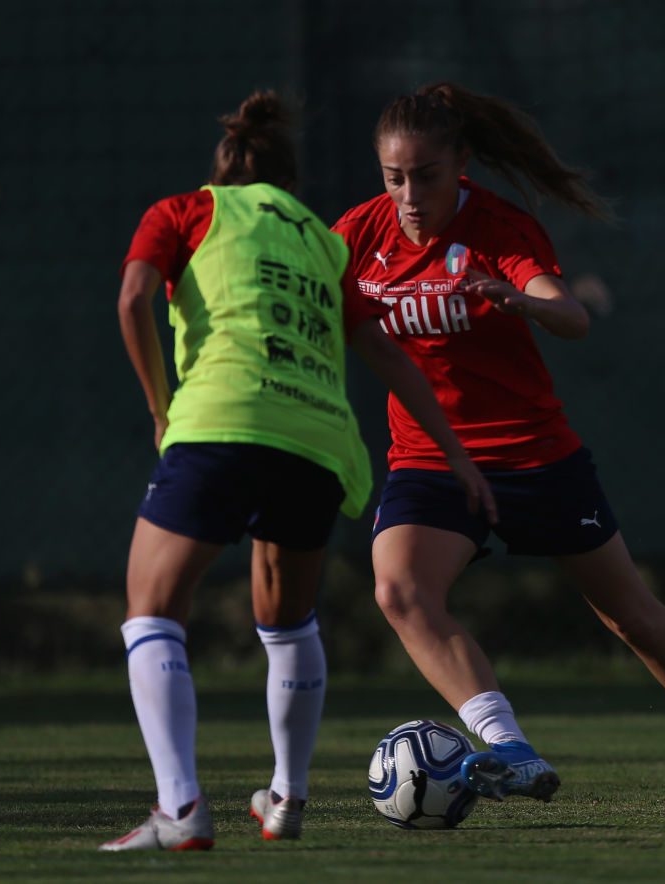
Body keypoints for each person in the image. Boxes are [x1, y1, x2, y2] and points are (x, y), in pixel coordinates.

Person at [332, 82, 665, 816]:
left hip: (533, 456)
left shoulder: (500, 227)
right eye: (393, 177)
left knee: (632, 617)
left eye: (425, 176)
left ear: (461, 164)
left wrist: (523, 301)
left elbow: (571, 315)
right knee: (400, 592)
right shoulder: (358, 233)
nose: (408, 195)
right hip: (432, 460)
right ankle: (510, 748)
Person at [100, 90, 495, 852]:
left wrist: (159, 408)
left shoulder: (188, 210)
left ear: (224, 173)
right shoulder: (321, 240)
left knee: (152, 611)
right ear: (287, 185)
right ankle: (287, 797)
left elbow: (132, 300)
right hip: (316, 442)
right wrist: (456, 455)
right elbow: (384, 352)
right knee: (287, 624)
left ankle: (180, 808)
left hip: (224, 420)